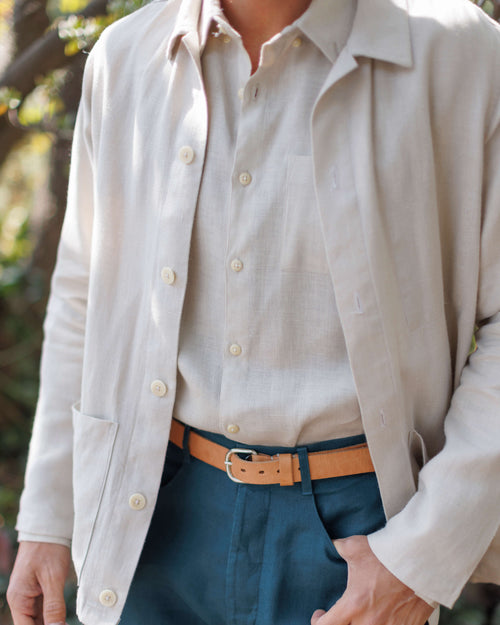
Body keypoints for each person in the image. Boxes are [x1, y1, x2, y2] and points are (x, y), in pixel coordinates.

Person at [6, 0, 500, 623]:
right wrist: (49, 518)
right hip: (152, 512)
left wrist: (419, 558)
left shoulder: (460, 55)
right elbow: (84, 294)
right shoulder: (124, 58)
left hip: (360, 531)